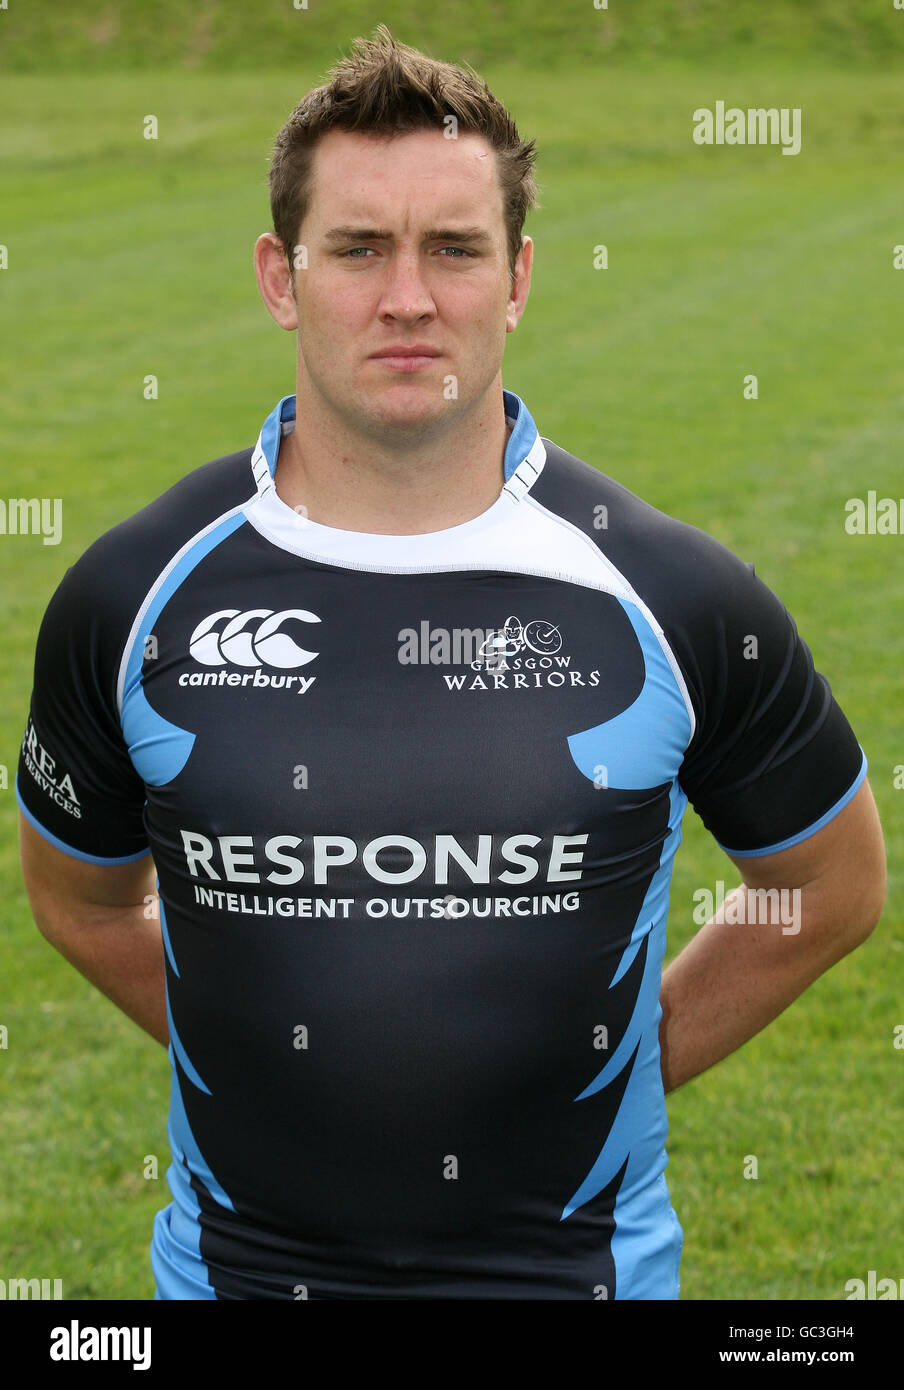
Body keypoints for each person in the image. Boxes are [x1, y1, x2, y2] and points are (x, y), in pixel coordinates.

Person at [17, 26, 885, 1301]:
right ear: (280, 274)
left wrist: (614, 1061)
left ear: (519, 276)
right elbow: (81, 901)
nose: (408, 297)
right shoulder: (133, 594)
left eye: (455, 249)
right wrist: (269, 1064)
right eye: (359, 248)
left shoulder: (671, 592)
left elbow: (829, 885)